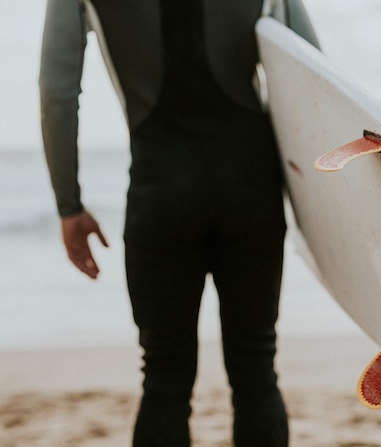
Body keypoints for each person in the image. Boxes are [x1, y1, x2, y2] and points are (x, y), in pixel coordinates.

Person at [39, 0, 319, 445]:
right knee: (255, 369)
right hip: (251, 191)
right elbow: (312, 73)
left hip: (160, 192)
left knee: (164, 378)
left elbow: (57, 92)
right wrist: (321, 207)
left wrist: (68, 204)